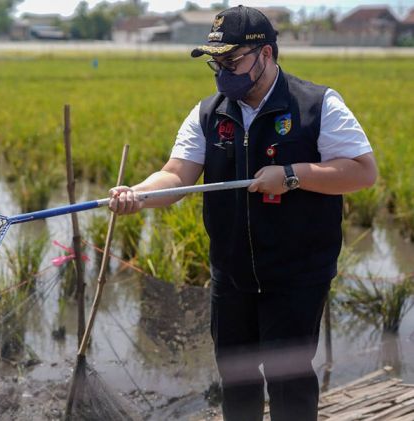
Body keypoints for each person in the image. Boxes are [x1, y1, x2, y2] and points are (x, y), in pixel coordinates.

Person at [108, 6, 377, 421]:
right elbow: (174, 174)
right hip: (231, 277)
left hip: (296, 276)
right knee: (237, 381)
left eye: (231, 60)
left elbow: (362, 172)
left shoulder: (317, 105)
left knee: (288, 384)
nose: (222, 71)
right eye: (217, 62)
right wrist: (138, 195)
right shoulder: (209, 113)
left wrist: (292, 175)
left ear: (266, 55)